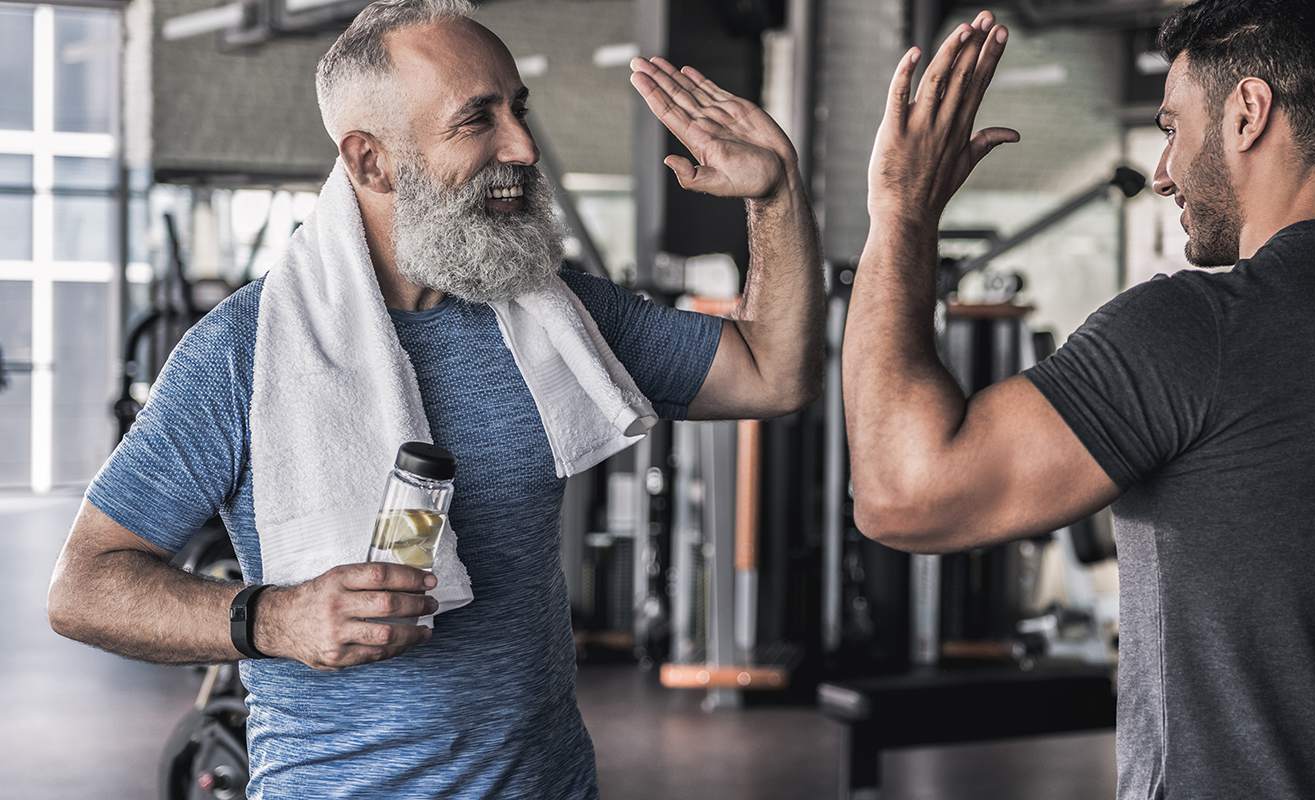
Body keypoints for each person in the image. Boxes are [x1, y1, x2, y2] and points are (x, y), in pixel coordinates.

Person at [45, 0, 822, 796]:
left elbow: (774, 371)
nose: (522, 146)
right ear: (371, 162)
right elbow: (83, 587)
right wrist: (272, 619)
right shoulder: (243, 353)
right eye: (475, 121)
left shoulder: (558, 316)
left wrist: (776, 194)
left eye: (518, 109)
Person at [844, 3, 1315, 798]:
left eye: (1172, 126)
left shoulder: (1193, 328)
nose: (1164, 170)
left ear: (1248, 113)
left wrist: (899, 213)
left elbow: (899, 497)